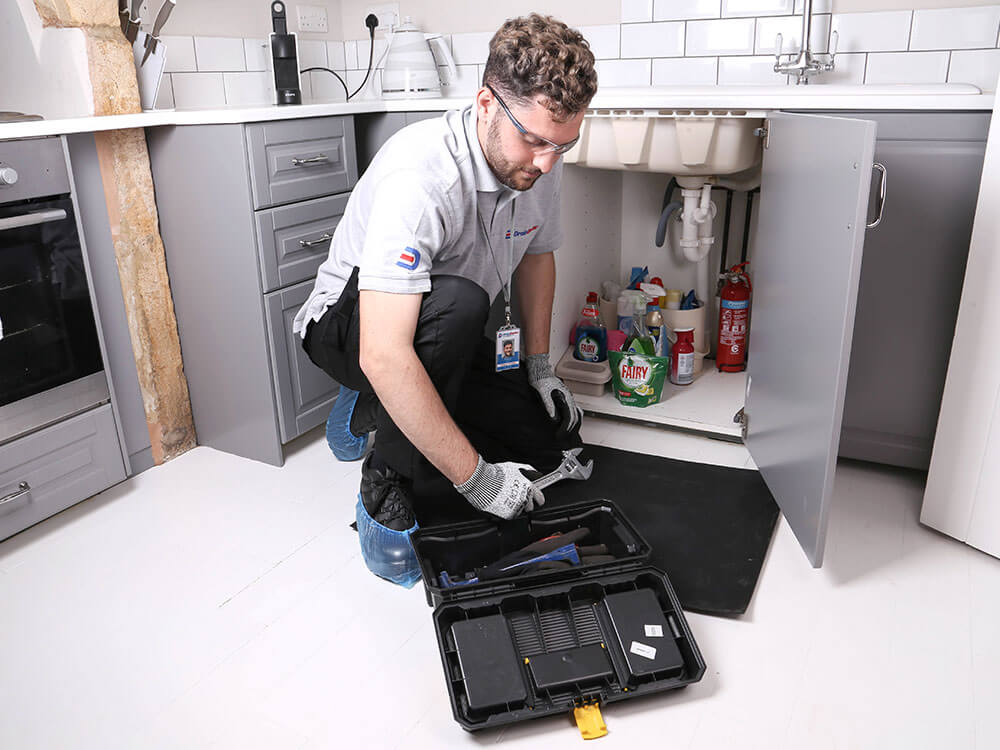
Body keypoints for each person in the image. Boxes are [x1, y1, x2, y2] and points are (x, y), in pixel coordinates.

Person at [294, 14, 598, 534]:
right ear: (486, 105)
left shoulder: (540, 155)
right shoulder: (421, 177)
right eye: (536, 142)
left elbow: (536, 255)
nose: (548, 163)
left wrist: (540, 365)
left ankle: (376, 405)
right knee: (460, 304)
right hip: (352, 328)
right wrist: (477, 479)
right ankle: (382, 497)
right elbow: (384, 352)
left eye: (563, 145)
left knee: (547, 446)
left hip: (437, 328)